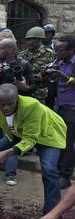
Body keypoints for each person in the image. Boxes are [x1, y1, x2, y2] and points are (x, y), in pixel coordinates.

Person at [0, 84, 67, 214]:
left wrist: (7, 153)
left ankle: (52, 214)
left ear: (17, 99)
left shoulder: (31, 105)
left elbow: (30, 139)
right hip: (19, 132)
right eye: (2, 104)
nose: (5, 108)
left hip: (48, 134)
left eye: (10, 104)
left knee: (49, 169)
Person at [0, 38, 36, 186]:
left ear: (11, 50)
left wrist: (23, 87)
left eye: (0, 48)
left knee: (12, 140)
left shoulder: (23, 65)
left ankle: (11, 174)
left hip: (18, 111)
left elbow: (32, 87)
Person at [50, 35, 75, 190]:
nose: (57, 52)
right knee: (58, 140)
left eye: (60, 50)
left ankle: (65, 176)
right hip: (59, 106)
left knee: (68, 143)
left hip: (72, 108)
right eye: (56, 49)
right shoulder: (58, 62)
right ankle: (58, 171)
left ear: (71, 50)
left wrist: (64, 77)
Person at [18, 27, 54, 104]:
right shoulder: (22, 54)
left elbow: (52, 73)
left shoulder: (49, 53)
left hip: (39, 93)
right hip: (24, 92)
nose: (29, 42)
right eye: (28, 40)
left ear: (39, 40)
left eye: (32, 39)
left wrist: (44, 76)